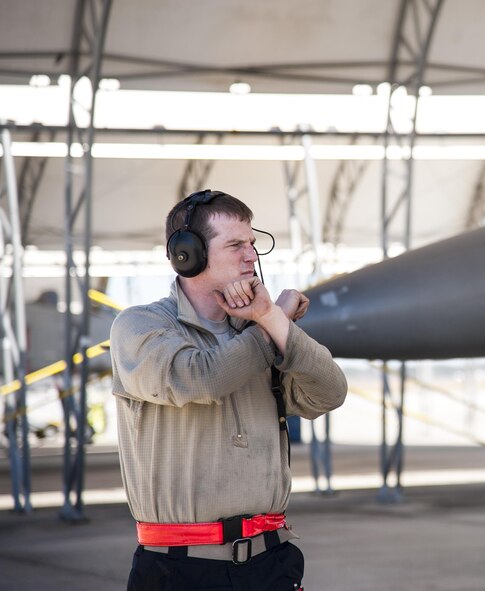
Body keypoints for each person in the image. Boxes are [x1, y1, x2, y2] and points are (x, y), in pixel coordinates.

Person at [110, 190, 348, 591]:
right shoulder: (140, 326)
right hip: (180, 570)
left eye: (252, 243)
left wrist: (273, 318)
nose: (251, 256)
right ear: (187, 253)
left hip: (272, 562)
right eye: (236, 244)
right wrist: (267, 328)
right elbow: (200, 378)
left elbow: (329, 393)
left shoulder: (262, 330)